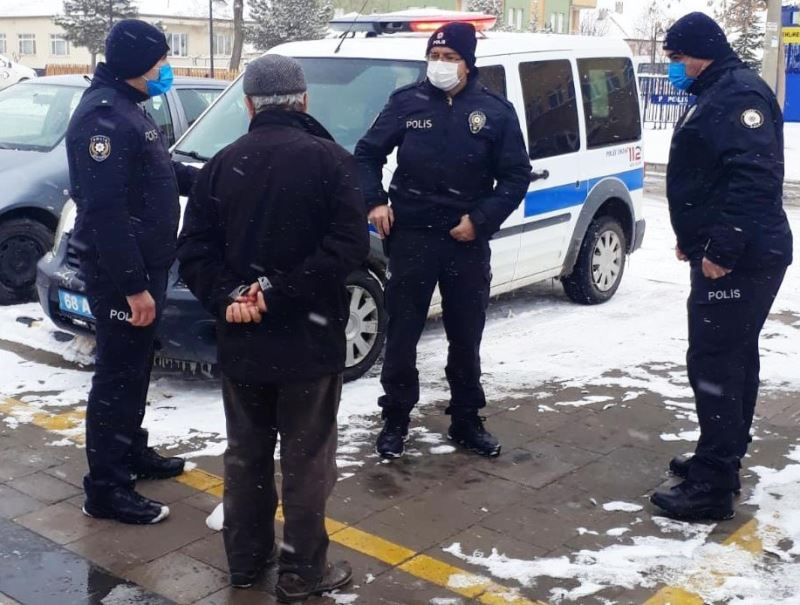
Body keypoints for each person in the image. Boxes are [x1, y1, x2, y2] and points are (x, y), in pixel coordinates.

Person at [177, 54, 369, 601]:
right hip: (309, 343)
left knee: (247, 456)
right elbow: (348, 248)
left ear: (247, 106)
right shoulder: (332, 162)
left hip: (245, 343)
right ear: (304, 101)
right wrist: (276, 291)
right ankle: (301, 573)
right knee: (307, 463)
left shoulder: (222, 163)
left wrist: (231, 295)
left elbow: (193, 251)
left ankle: (245, 561)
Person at [354, 22, 531, 459]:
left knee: (465, 335)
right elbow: (366, 154)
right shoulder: (406, 102)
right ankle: (395, 419)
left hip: (465, 241)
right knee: (402, 334)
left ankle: (467, 419)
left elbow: (515, 175)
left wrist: (481, 219)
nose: (440, 66)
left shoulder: (494, 111)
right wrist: (375, 202)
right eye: (435, 57)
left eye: (450, 58)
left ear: (468, 64)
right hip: (411, 237)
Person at [650, 12, 793, 521]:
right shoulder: (717, 91)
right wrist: (695, 237)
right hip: (732, 254)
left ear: (699, 51)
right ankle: (720, 457)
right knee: (728, 359)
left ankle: (712, 487)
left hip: (741, 261)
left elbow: (754, 180)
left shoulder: (736, 95)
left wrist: (721, 251)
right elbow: (712, 178)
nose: (674, 67)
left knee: (717, 363)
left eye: (676, 57)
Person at [66, 19, 197, 525]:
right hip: (124, 274)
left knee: (135, 369)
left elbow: (160, 172)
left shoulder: (127, 110)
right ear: (136, 62)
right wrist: (134, 287)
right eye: (161, 59)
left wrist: (213, 178)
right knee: (117, 378)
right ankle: (105, 489)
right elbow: (104, 211)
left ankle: (130, 452)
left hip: (146, 266)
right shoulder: (104, 118)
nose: (166, 67)